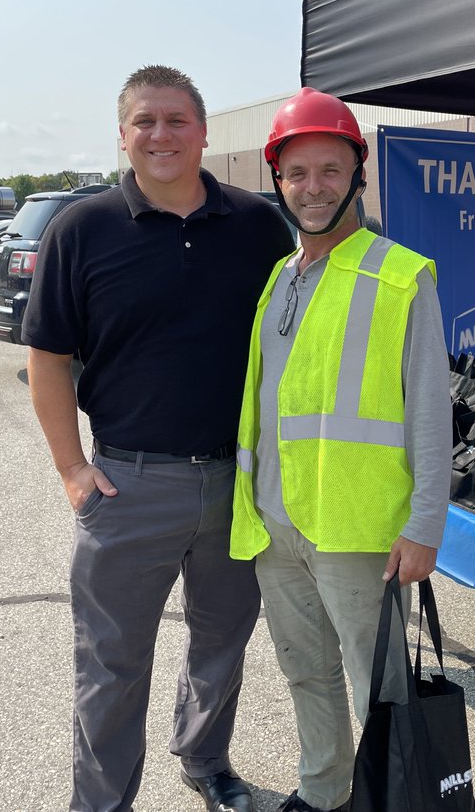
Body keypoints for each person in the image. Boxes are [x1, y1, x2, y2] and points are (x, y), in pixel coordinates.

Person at [24, 65, 295, 812]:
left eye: (176, 121)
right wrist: (72, 468)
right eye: (145, 122)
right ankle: (103, 802)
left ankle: (205, 759)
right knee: (111, 665)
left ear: (204, 133)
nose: (161, 135)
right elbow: (46, 360)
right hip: (129, 484)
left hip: (236, 485)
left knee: (222, 643)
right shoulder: (81, 229)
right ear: (123, 136)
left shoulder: (259, 225)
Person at [229, 87, 452, 812]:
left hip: (358, 530)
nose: (312, 187)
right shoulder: (279, 277)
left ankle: (391, 802)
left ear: (359, 172)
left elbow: (429, 410)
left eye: (329, 170)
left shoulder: (400, 276)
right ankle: (324, 793)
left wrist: (425, 524)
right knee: (306, 674)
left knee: (378, 687)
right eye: (297, 173)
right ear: (278, 181)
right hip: (277, 524)